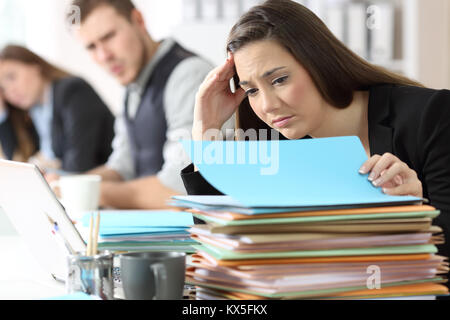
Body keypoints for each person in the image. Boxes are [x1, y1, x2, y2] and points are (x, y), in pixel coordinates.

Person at [181, 0, 450, 289]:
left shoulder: (431, 116)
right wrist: (205, 130)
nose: (268, 105)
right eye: (252, 90)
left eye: (280, 79)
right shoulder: (272, 144)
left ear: (319, 62)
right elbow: (223, 259)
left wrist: (414, 217)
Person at [68, 0, 214, 209]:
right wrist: (70, 185)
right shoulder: (132, 86)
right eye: (91, 47)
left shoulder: (188, 74)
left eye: (109, 36)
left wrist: (97, 192)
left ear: (138, 20)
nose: (104, 56)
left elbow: (180, 189)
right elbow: (122, 166)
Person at [0, 45, 115, 173]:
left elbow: (78, 164)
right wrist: (2, 112)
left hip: (104, 184)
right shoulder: (34, 111)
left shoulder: (72, 91)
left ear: (34, 66)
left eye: (11, 77)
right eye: (3, 89)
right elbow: (16, 164)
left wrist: (51, 169)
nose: (10, 91)